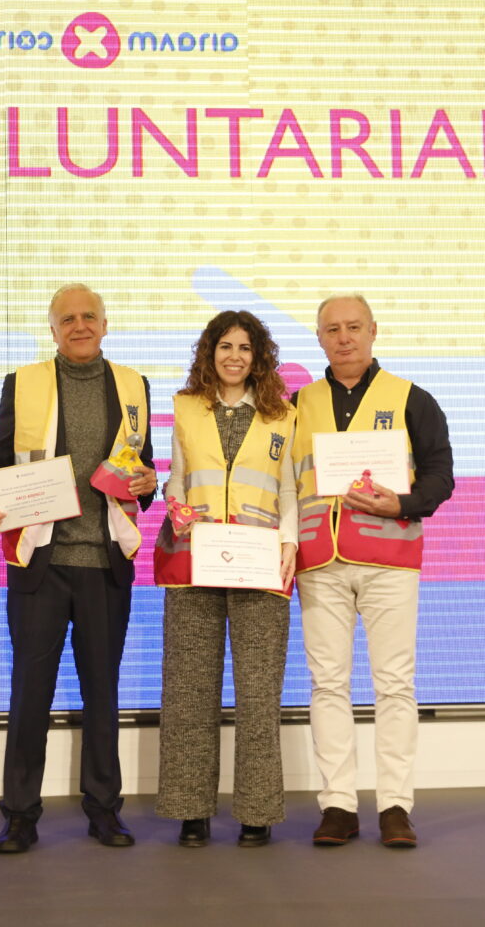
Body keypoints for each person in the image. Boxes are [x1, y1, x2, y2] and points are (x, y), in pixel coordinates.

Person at [0, 283, 157, 854]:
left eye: (89, 317)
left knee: (103, 692)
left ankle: (105, 811)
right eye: (67, 319)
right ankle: (20, 815)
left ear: (105, 325)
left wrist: (150, 486)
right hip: (40, 562)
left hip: (105, 562)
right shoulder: (22, 383)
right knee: (30, 693)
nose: (79, 326)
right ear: (51, 329)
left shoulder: (134, 386)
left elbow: (140, 470)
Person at [292, 293, 454, 848]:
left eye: (354, 327)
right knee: (328, 685)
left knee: (394, 686)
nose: (344, 337)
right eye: (333, 329)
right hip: (319, 562)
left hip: (390, 559)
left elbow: (441, 475)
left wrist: (403, 505)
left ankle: (395, 807)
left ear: (374, 330)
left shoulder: (412, 399)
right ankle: (337, 804)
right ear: (319, 338)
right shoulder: (296, 403)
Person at [152, 310, 297, 848]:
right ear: (209, 353)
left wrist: (291, 544)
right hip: (195, 558)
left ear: (258, 357)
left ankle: (256, 811)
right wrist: (174, 502)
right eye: (224, 347)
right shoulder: (185, 407)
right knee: (189, 691)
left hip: (261, 562)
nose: (234, 356)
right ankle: (192, 811)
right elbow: (177, 477)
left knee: (259, 693)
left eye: (245, 348)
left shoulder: (283, 414)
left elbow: (286, 490)